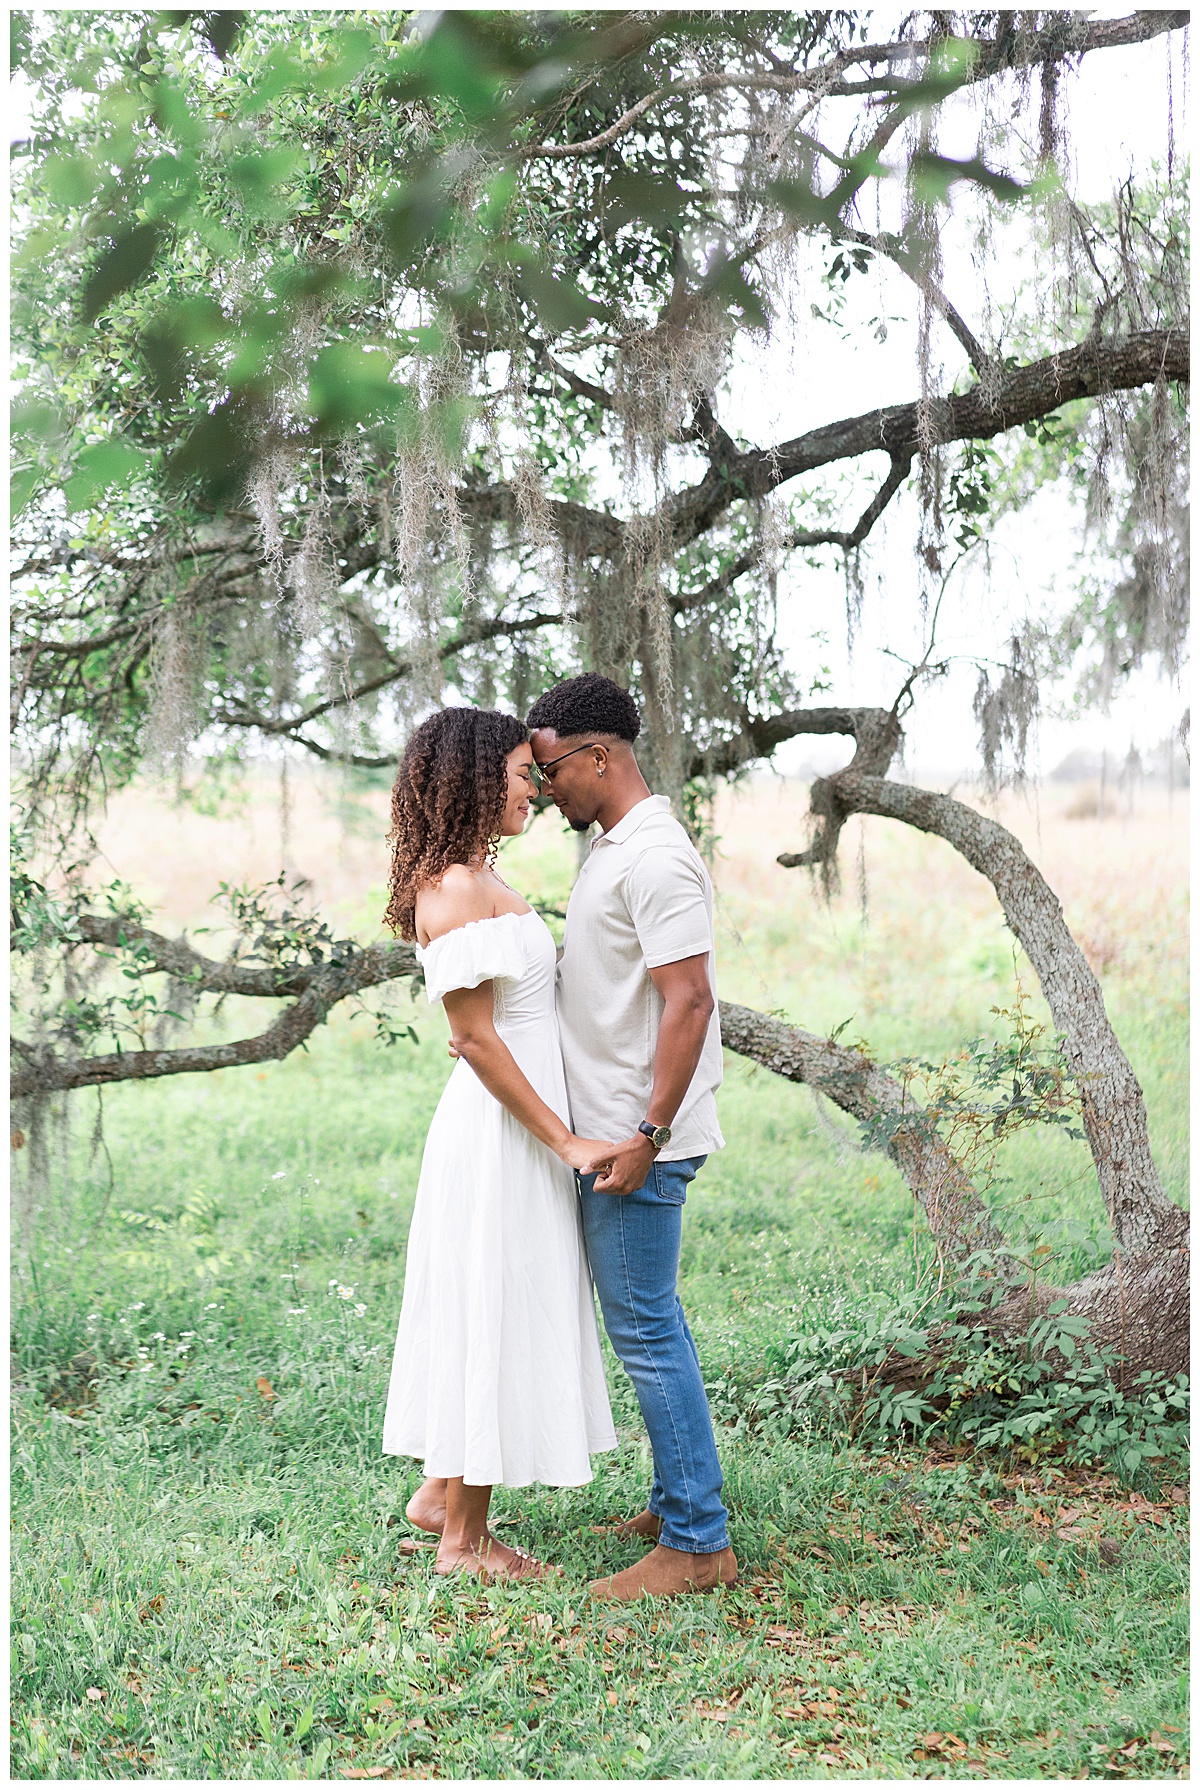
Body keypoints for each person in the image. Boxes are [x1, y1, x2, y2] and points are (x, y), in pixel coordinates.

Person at [380, 706, 617, 1581]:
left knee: (499, 1298)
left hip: (519, 1120)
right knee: (493, 1306)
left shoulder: (478, 876)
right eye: (525, 773)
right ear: (478, 778)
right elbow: (476, 1039)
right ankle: (464, 1545)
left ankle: (442, 1492)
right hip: (503, 1131)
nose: (539, 789)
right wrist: (565, 1141)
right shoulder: (453, 888)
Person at [526, 673, 738, 1600]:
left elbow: (689, 997)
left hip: (632, 1138)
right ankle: (672, 1494)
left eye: (549, 769)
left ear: (599, 756)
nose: (542, 789)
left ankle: (697, 1542)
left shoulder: (655, 857)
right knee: (654, 1319)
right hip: (616, 1127)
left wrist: (647, 1133)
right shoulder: (613, 848)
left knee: (646, 1330)